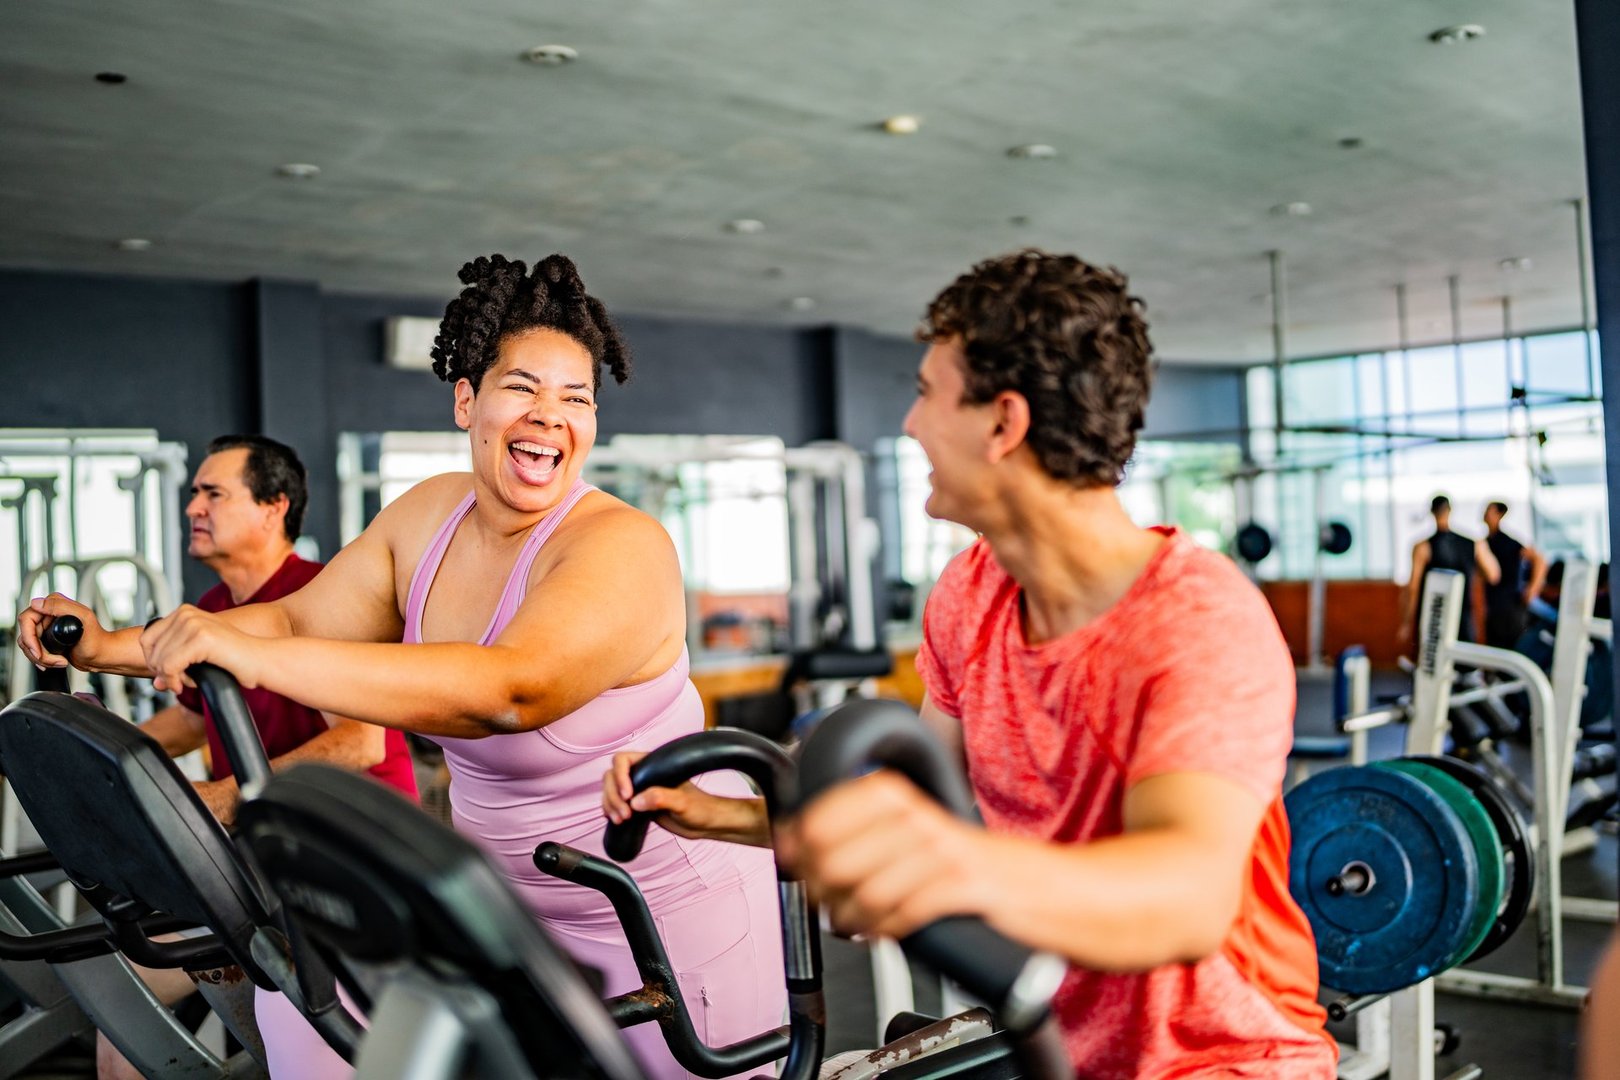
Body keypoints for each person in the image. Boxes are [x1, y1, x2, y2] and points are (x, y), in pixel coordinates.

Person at [19, 254, 783, 1080]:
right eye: (522, 387)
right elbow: (293, 616)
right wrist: (110, 646)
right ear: (467, 401)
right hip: (502, 911)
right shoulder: (429, 517)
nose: (550, 415)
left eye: (577, 398)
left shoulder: (622, 545)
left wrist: (252, 653)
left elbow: (511, 689)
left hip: (664, 920)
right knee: (308, 1005)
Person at [606, 249, 1336, 1078]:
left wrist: (947, 867)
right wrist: (721, 815)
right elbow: (924, 806)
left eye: (927, 393)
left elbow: (1188, 898)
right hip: (1058, 1045)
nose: (911, 423)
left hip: (1228, 1057)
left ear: (1003, 423)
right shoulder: (971, 593)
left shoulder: (1197, 620)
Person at [24, 434, 417, 1080]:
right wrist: (94, 762)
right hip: (260, 866)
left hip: (351, 862)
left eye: (213, 493)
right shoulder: (210, 610)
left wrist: (223, 799)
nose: (193, 507)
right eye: (192, 494)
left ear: (273, 506)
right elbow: (189, 720)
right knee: (127, 1007)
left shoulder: (323, 594)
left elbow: (359, 741)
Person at [1397, 495, 1501, 650]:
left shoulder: (1422, 547)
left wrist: (1406, 622)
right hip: (1463, 619)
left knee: (1433, 663)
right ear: (1450, 510)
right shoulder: (1474, 544)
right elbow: (1493, 575)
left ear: (1432, 512)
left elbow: (1413, 588)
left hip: (1433, 621)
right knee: (1464, 661)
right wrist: (1471, 570)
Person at [1482, 500, 1548, 649]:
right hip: (1494, 607)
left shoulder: (1508, 542)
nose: (1485, 513)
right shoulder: (1486, 542)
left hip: (1511, 606)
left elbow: (1539, 560)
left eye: (1489, 510)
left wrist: (1532, 589)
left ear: (1499, 514)